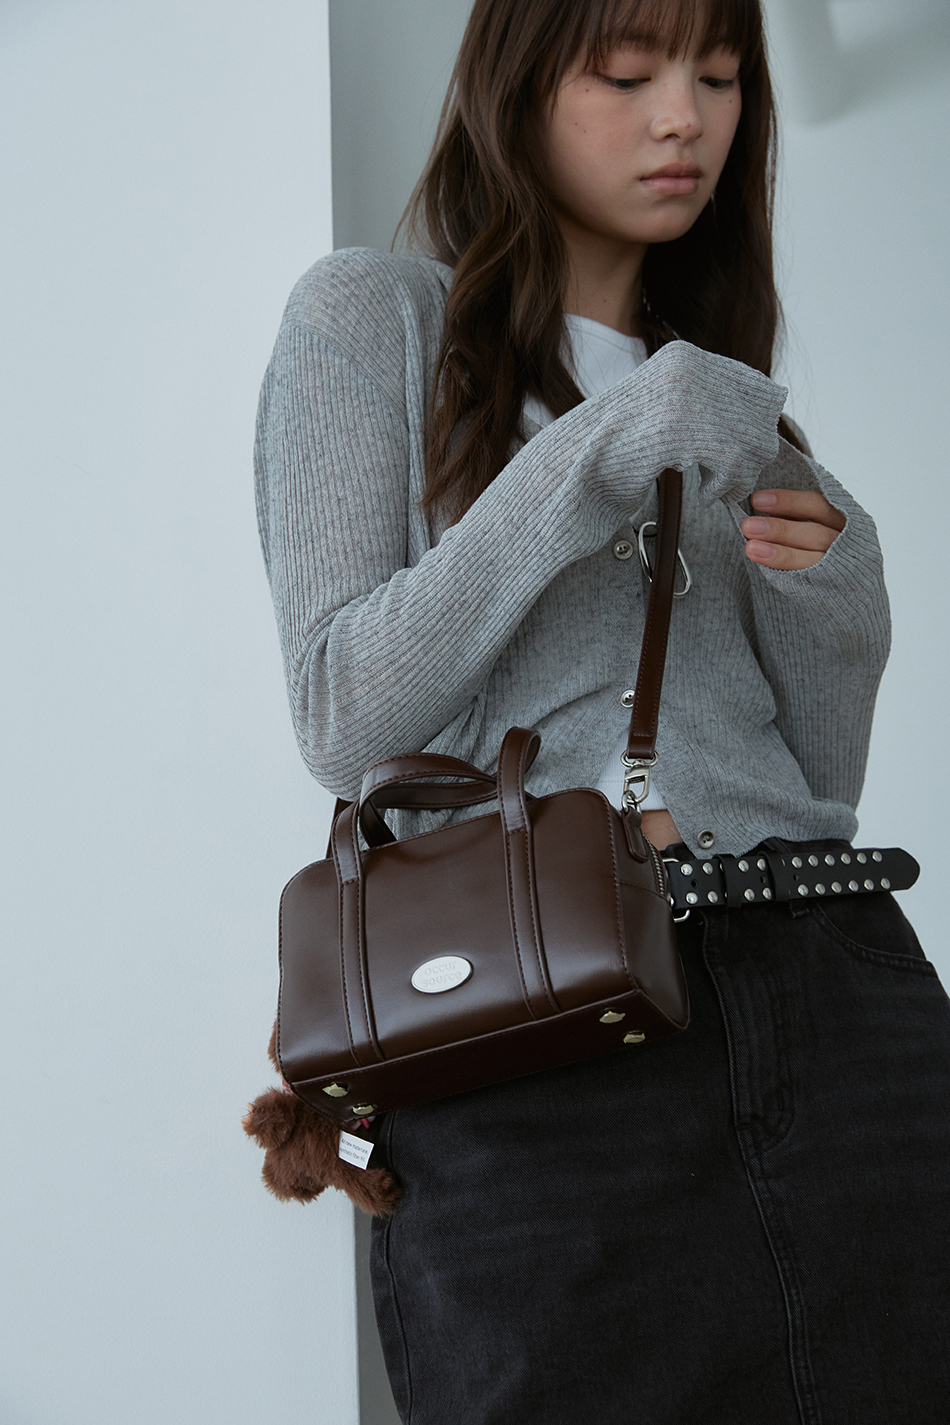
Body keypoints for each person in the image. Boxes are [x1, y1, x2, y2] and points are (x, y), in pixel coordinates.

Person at [253, 0, 950, 1420]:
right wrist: (582, 462)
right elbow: (342, 713)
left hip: (831, 988)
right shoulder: (372, 317)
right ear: (514, 87)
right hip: (545, 1031)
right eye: (626, 73)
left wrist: (839, 596)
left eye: (719, 76)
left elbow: (818, 790)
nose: (682, 117)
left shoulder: (731, 400)